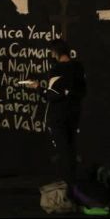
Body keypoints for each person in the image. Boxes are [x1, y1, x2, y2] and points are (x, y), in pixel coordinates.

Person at [27, 38, 86, 187]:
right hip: (74, 114)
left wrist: (38, 88)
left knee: (63, 151)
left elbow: (51, 95)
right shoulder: (78, 67)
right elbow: (82, 91)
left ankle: (66, 186)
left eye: (52, 52)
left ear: (56, 52)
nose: (51, 55)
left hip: (59, 116)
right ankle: (73, 185)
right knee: (71, 149)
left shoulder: (57, 69)